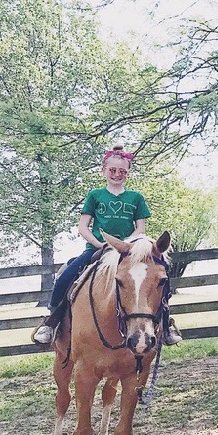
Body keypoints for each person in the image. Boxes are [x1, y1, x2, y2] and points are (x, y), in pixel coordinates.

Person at [32, 145, 182, 346]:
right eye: (112, 170)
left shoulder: (136, 198)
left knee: (159, 280)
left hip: (128, 252)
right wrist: (100, 244)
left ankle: (165, 325)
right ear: (104, 170)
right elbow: (83, 227)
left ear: (127, 173)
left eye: (122, 171)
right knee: (67, 276)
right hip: (97, 249)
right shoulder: (95, 195)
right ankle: (51, 322)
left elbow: (140, 229)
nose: (117, 174)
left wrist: (124, 246)